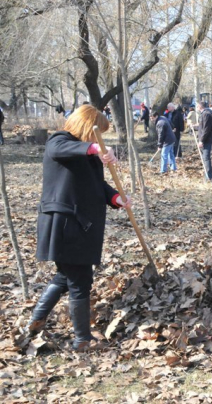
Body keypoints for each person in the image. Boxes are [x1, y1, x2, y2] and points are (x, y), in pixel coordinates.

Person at [27, 105, 131, 351]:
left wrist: (116, 198)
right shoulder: (60, 141)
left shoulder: (86, 153)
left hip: (79, 224)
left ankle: (37, 319)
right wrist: (93, 148)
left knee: (67, 275)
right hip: (66, 223)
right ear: (87, 127)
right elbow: (59, 149)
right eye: (98, 134)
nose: (99, 139)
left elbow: (96, 183)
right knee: (80, 279)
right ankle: (82, 340)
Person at [197, 101, 212, 182]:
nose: (196, 107)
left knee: (206, 158)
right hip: (203, 139)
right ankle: (207, 175)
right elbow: (202, 127)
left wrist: (201, 141)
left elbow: (206, 130)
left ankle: (209, 176)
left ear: (200, 106)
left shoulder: (206, 114)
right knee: (204, 158)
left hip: (206, 140)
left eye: (197, 106)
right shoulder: (203, 114)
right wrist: (194, 126)